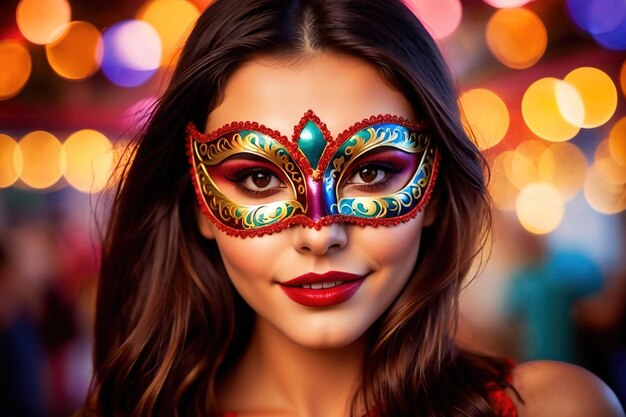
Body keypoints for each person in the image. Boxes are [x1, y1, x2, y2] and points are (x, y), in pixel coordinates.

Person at [78, 1, 626, 416]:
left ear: (432, 193)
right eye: (260, 177)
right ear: (198, 204)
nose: (320, 233)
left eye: (370, 172)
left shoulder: (557, 408)